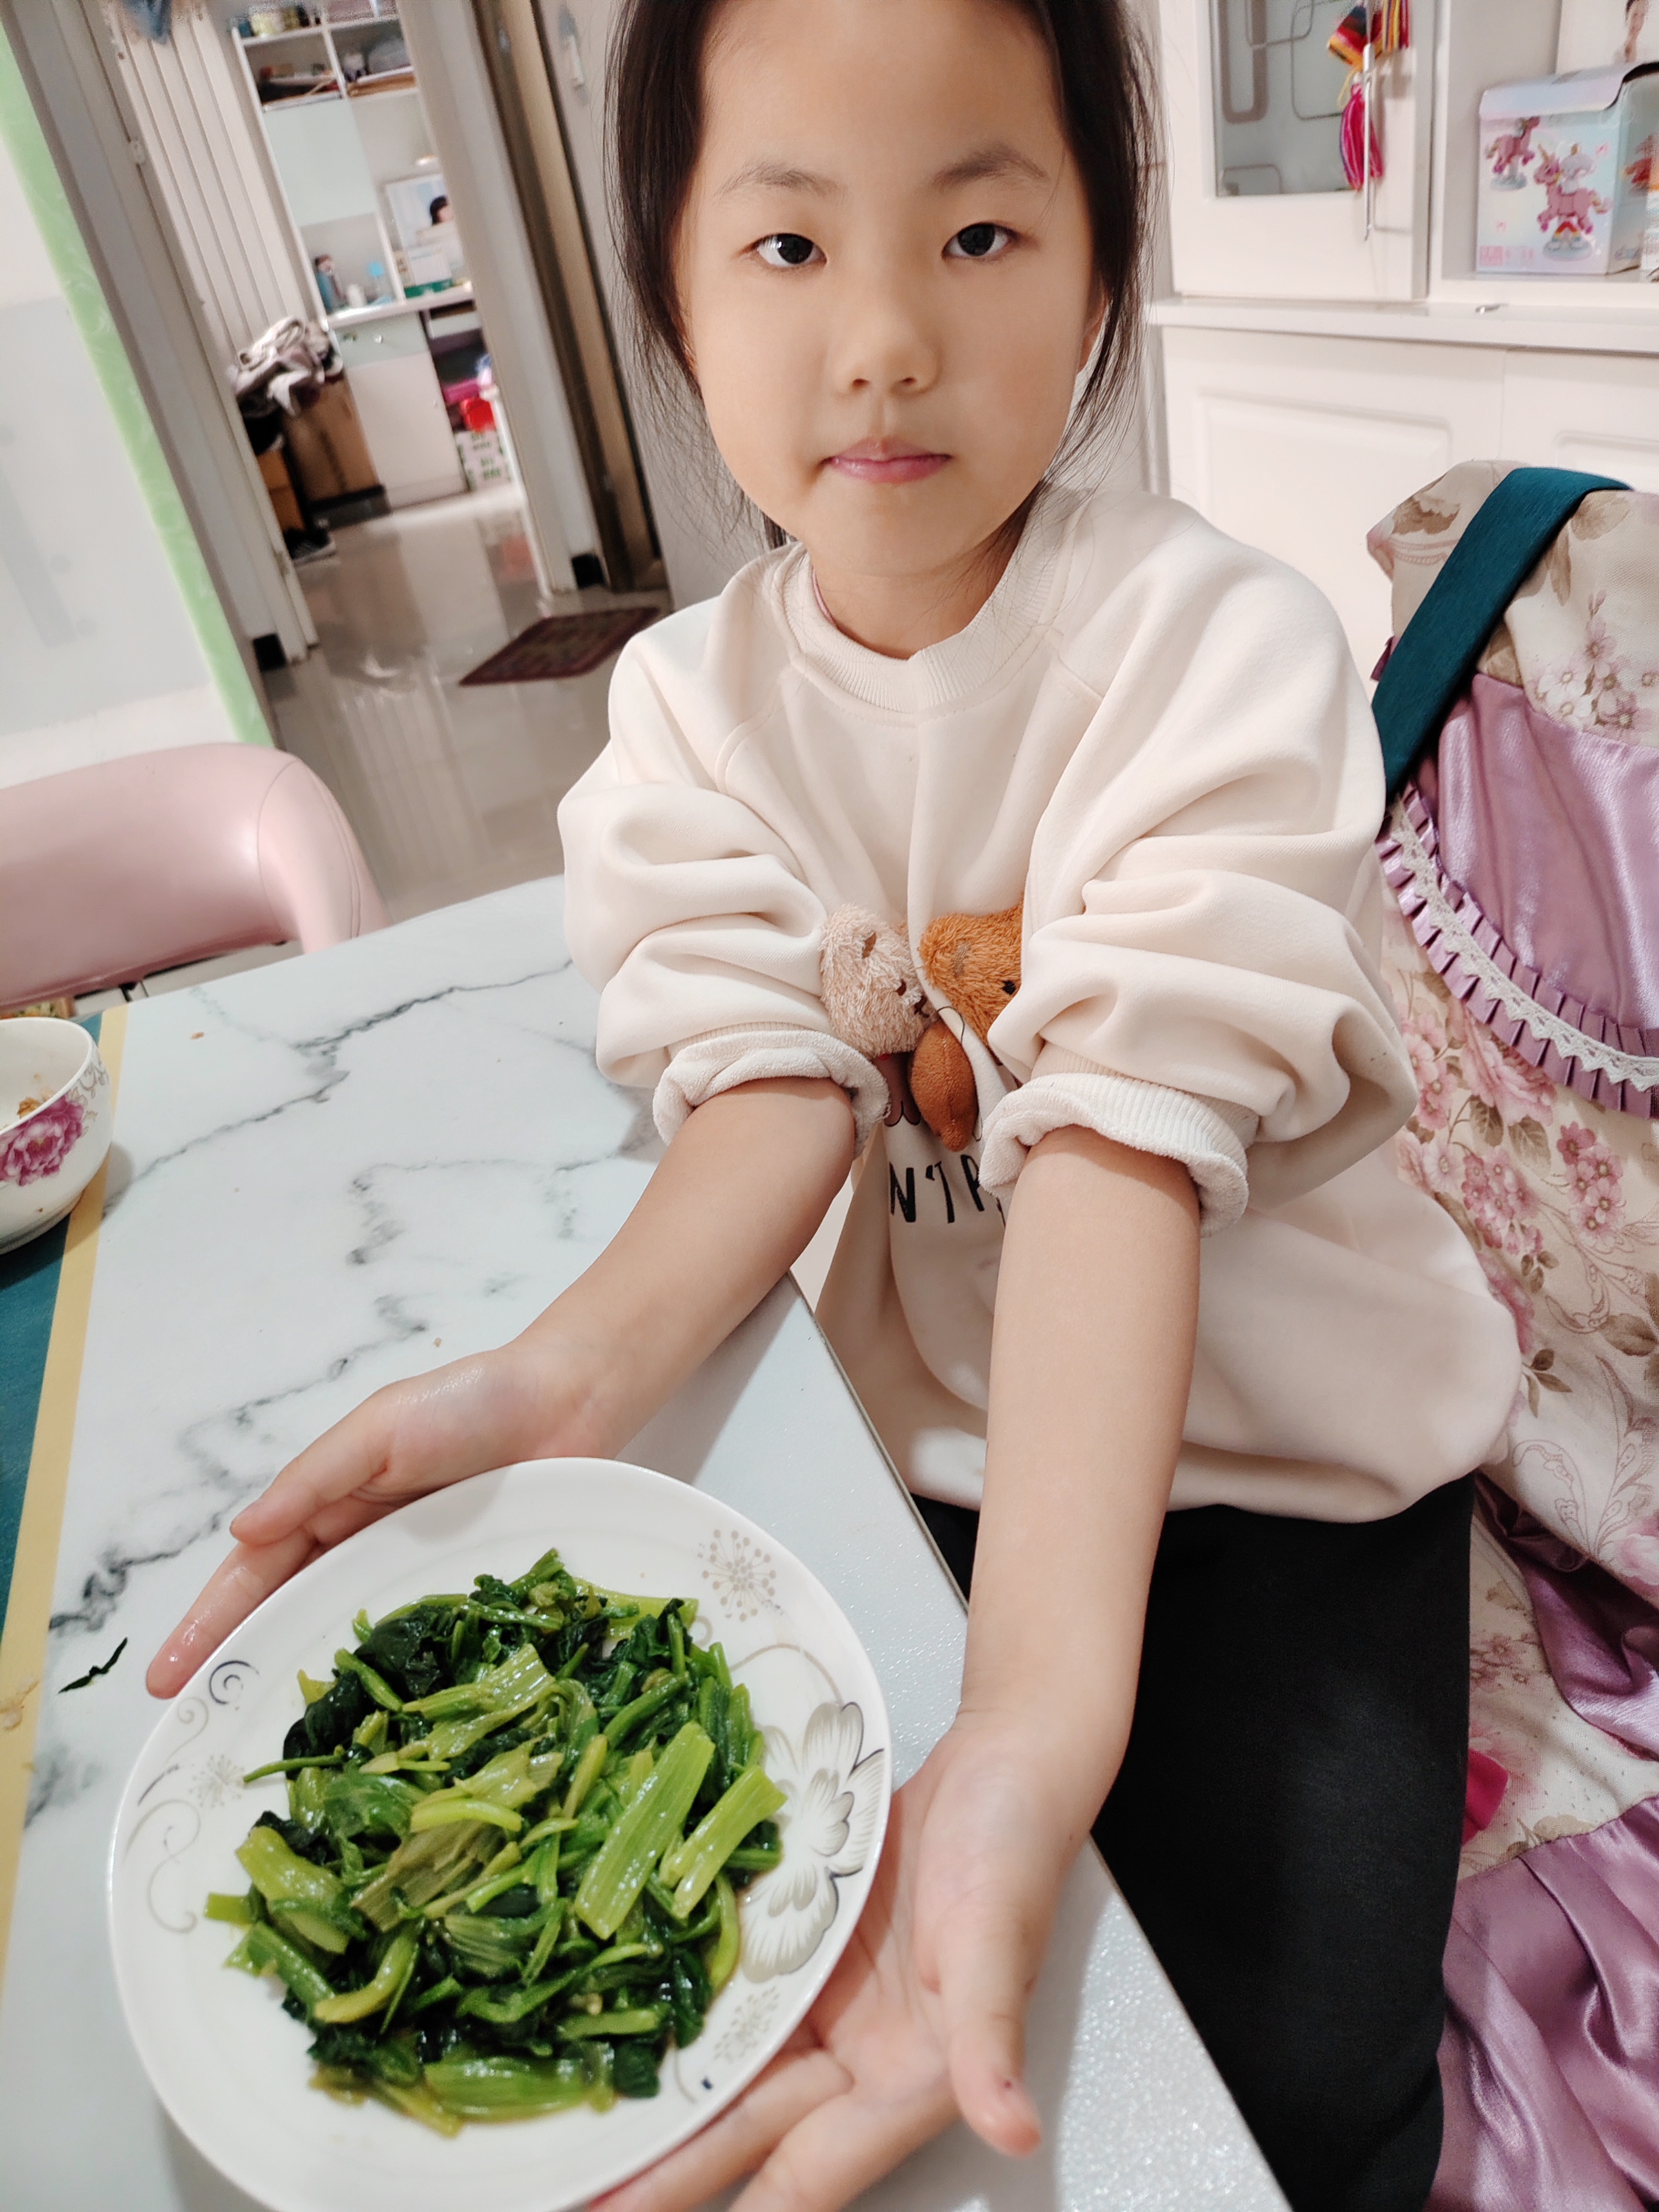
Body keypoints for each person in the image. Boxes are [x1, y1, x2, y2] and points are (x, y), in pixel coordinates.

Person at [148, 3, 1521, 2205]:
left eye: (977, 233)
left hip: (1302, 1471)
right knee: (927, 2011)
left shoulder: (1212, 649)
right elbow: (769, 1092)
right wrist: (556, 1379)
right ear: (674, 294)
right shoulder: (686, 716)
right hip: (950, 1459)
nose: (884, 342)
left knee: (1309, 2075)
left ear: (1100, 267)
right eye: (788, 246)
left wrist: (1040, 1711)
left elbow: (1118, 1146)